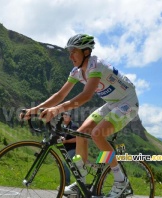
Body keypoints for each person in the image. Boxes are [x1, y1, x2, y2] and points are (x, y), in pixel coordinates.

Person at [21, 34, 139, 198]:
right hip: (112, 103)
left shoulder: (96, 66)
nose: (70, 56)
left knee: (97, 134)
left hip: (128, 103)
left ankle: (121, 181)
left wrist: (56, 110)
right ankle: (81, 181)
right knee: (81, 133)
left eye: (73, 52)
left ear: (86, 52)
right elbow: (60, 94)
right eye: (69, 52)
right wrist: (36, 109)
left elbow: (86, 96)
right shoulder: (76, 71)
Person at [60, 112, 78, 186]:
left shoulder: (73, 126)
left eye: (66, 117)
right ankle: (79, 184)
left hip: (74, 149)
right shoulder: (64, 127)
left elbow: (77, 138)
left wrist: (66, 141)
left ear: (70, 118)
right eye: (63, 117)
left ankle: (66, 183)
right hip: (68, 149)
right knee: (75, 167)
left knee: (66, 164)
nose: (64, 118)